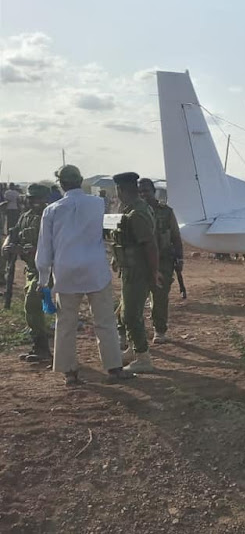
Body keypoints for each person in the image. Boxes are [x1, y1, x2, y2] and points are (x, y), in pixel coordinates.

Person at [35, 165, 134, 386]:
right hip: (95, 270)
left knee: (66, 324)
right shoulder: (98, 203)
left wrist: (43, 281)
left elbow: (44, 249)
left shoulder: (51, 210)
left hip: (66, 272)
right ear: (80, 181)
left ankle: (69, 373)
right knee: (105, 322)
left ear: (61, 184)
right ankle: (114, 368)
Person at [112, 172, 162, 372]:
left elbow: (150, 244)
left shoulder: (137, 213)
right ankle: (134, 350)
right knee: (125, 313)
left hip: (138, 271)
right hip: (131, 269)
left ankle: (143, 358)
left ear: (121, 190)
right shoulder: (131, 209)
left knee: (132, 315)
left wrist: (154, 272)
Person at [2, 184, 53, 362]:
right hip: (32, 270)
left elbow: (51, 245)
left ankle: (44, 349)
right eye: (32, 198)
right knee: (30, 307)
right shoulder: (25, 217)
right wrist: (8, 246)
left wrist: (22, 250)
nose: (35, 202)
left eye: (38, 198)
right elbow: (13, 234)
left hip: (49, 269)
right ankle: (40, 346)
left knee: (33, 303)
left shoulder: (50, 216)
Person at [137, 177, 183, 344]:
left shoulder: (166, 212)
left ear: (153, 192)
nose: (143, 195)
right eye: (140, 192)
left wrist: (179, 258)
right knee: (136, 296)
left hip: (163, 260)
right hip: (139, 260)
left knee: (160, 296)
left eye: (146, 191)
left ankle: (159, 329)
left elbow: (176, 237)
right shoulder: (134, 212)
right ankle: (133, 332)